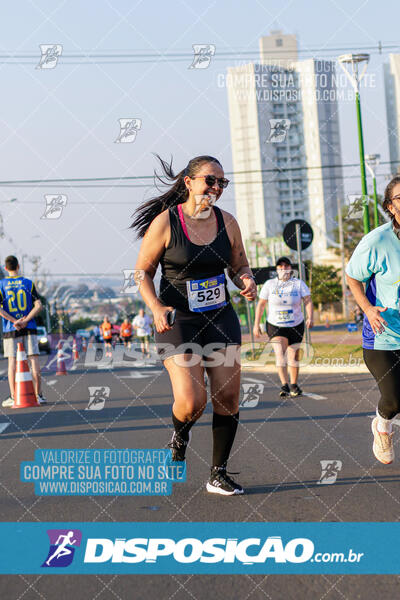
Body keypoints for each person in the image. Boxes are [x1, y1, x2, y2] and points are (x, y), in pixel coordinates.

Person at [132, 155, 257, 495]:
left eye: (222, 183)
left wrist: (245, 280)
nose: (216, 188)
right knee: (191, 401)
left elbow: (239, 265)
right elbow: (142, 273)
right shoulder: (166, 223)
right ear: (189, 182)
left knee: (228, 396)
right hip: (178, 319)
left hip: (220, 315)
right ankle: (180, 433)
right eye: (210, 180)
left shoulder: (227, 222)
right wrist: (156, 306)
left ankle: (218, 473)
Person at [346, 175, 400, 465]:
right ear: (390, 207)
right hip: (383, 335)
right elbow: (353, 277)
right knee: (393, 400)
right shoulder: (377, 241)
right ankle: (382, 425)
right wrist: (367, 308)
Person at [253, 256, 313, 398]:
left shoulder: (298, 284)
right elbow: (261, 305)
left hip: (295, 324)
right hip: (275, 325)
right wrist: (256, 325)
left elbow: (308, 300)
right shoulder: (269, 284)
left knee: (293, 355)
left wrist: (310, 317)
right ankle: (284, 384)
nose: (283, 269)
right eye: (280, 267)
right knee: (280, 353)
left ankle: (293, 384)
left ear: (291, 269)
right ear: (277, 269)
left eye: (286, 266)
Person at [0, 255, 47, 406]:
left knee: (12, 361)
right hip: (29, 327)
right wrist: (26, 320)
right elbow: (39, 305)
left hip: (10, 328)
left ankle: (14, 397)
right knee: (33, 359)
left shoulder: (1, 284)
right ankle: (38, 395)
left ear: (6, 268)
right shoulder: (28, 283)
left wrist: (14, 321)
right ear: (18, 266)